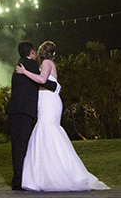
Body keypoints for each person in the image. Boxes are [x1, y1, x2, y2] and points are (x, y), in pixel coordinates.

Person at [16, 41, 110, 191]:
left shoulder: (46, 63)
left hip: (49, 102)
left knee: (47, 131)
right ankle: (45, 176)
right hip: (46, 101)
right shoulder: (49, 63)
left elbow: (42, 80)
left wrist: (24, 72)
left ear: (41, 52)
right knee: (45, 132)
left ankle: (55, 175)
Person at [5, 41, 57, 190]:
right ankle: (20, 181)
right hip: (23, 112)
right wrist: (55, 86)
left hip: (14, 111)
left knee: (16, 146)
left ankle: (17, 180)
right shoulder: (30, 65)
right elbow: (43, 81)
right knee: (22, 145)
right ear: (32, 53)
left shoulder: (18, 66)